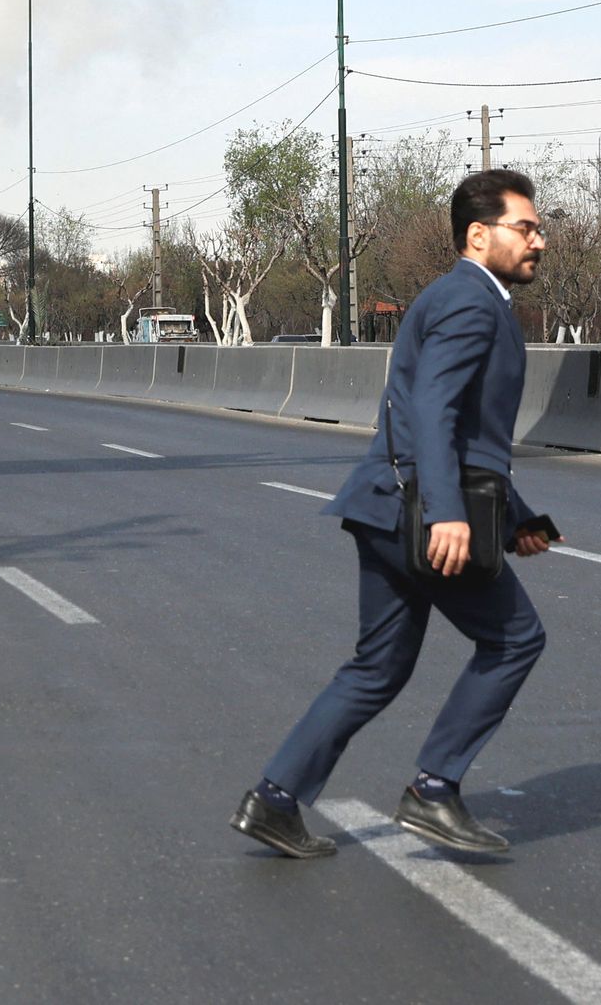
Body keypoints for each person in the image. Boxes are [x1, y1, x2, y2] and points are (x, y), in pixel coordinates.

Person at [232, 169, 557, 859]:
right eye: (526, 227)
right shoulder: (475, 303)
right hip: (421, 513)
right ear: (479, 234)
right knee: (515, 638)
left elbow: (466, 434)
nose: (540, 240)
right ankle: (434, 789)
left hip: (382, 508)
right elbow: (430, 411)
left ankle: (276, 797)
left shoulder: (454, 296)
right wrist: (446, 512)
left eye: (538, 227)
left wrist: (517, 517)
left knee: (377, 667)